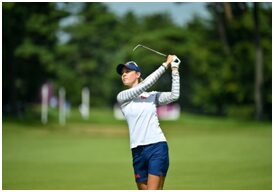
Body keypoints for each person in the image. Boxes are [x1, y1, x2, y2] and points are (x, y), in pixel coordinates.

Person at [116, 55, 180, 190]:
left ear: (137, 74)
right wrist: (164, 65)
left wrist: (174, 69)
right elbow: (144, 85)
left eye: (127, 72)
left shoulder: (152, 96)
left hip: (156, 147)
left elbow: (174, 95)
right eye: (122, 73)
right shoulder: (122, 97)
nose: (124, 75)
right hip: (137, 151)